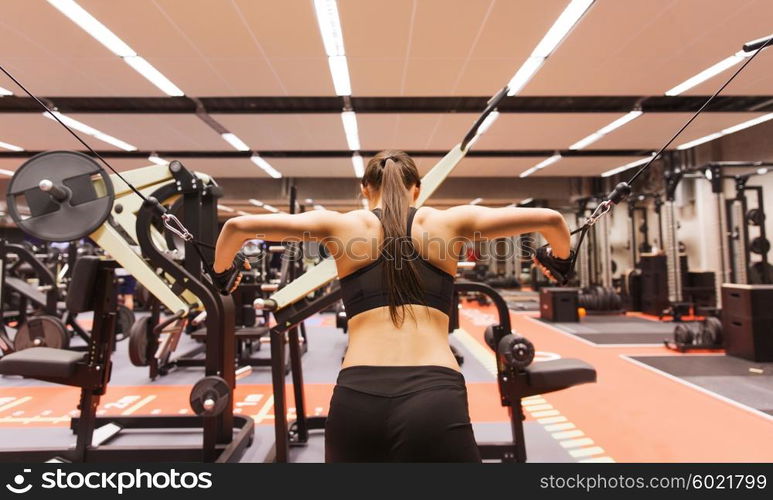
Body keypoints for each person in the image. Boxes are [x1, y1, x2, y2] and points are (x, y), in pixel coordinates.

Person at [212, 150, 571, 462]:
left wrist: (223, 274)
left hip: (356, 399)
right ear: (417, 188)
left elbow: (237, 227)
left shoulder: (341, 226)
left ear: (365, 190)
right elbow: (551, 220)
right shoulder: (448, 222)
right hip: (435, 396)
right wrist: (559, 259)